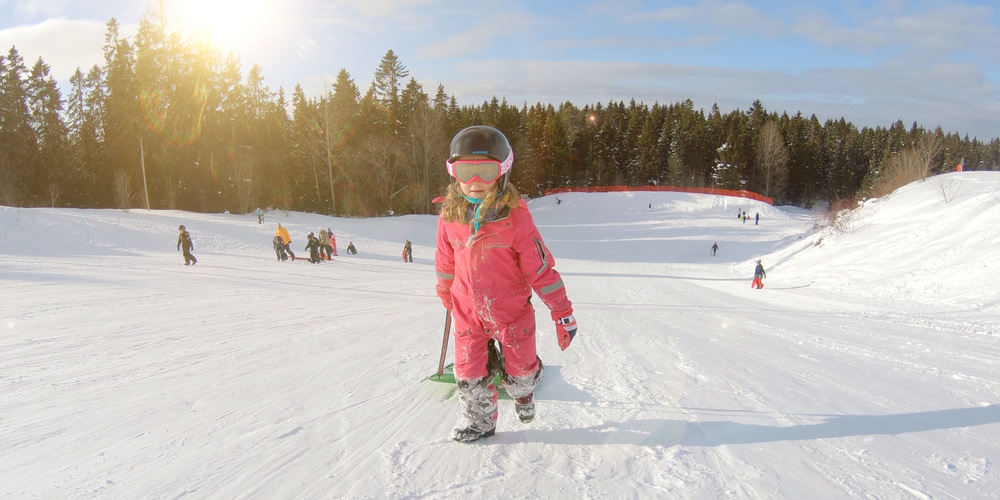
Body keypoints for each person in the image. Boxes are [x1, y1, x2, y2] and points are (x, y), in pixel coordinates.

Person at [435, 125, 577, 443]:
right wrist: (445, 289)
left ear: (502, 172)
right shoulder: (449, 216)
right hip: (468, 313)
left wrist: (562, 312)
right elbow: (445, 262)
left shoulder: (516, 219)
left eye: (485, 171)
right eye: (464, 171)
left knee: (522, 375)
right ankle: (480, 421)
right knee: (468, 374)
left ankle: (523, 394)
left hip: (511, 314)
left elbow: (541, 270)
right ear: (452, 172)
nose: (473, 183)